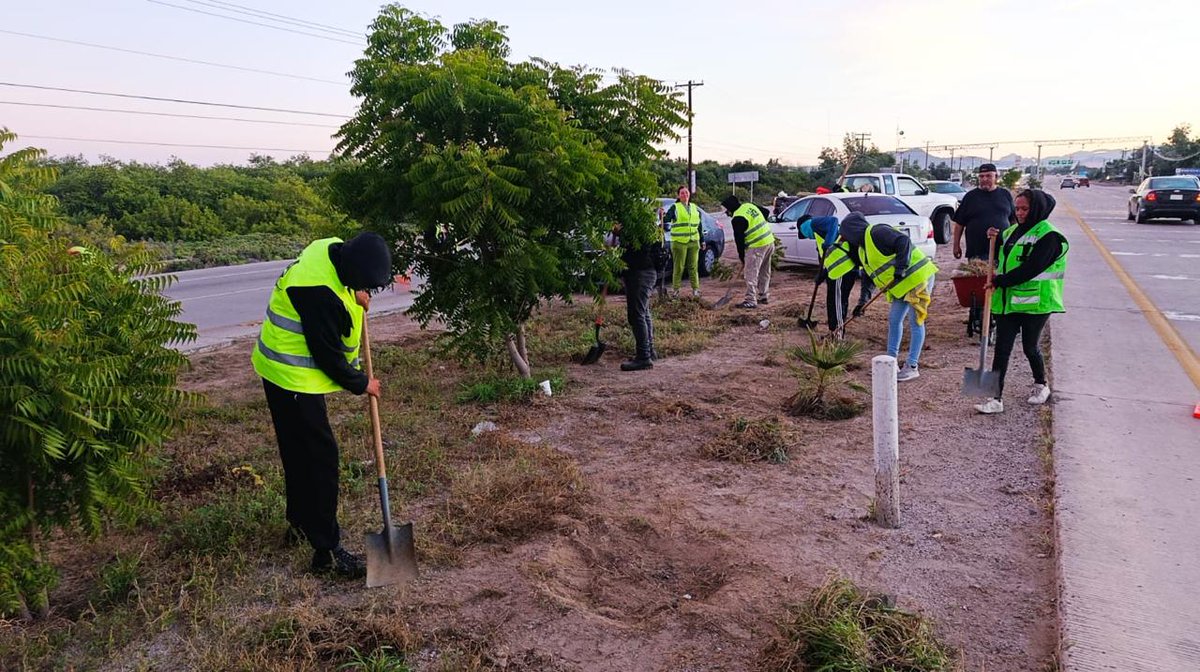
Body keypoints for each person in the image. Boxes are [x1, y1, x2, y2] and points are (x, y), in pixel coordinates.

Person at [251, 232, 392, 579]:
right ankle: (326, 552)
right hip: (290, 375)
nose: (365, 290)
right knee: (320, 459)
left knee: (298, 453)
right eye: (363, 284)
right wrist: (363, 384)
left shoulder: (330, 247)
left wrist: (354, 292)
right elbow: (327, 355)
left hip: (277, 368)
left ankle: (299, 525)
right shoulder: (315, 293)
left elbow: (336, 285)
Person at [974, 189, 1068, 414]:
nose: (1020, 213)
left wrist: (1000, 281)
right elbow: (1005, 254)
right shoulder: (1012, 231)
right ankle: (995, 398)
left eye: (1025, 208)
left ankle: (1041, 385)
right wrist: (993, 238)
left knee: (1030, 347)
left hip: (1036, 302)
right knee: (1002, 349)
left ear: (1037, 209)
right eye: (1017, 208)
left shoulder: (1050, 236)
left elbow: (1031, 268)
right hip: (1009, 301)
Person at [822, 212, 938, 381]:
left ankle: (912, 366)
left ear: (853, 231)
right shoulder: (862, 251)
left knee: (915, 321)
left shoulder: (877, 232)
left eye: (846, 236)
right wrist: (862, 302)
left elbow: (903, 241)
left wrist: (901, 268)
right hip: (901, 286)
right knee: (894, 319)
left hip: (918, 277)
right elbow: (869, 278)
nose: (846, 240)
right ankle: (890, 364)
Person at [951, 163, 1015, 336]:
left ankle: (997, 317)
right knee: (979, 286)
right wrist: (956, 245)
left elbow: (1014, 221)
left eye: (988, 176)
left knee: (999, 284)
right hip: (977, 252)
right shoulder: (971, 197)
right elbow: (959, 224)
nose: (985, 179)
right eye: (982, 176)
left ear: (996, 177)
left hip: (1002, 251)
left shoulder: (1005, 195)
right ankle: (978, 318)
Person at [800, 215, 873, 334]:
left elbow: (833, 220)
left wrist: (828, 242)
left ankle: (838, 335)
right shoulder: (820, 234)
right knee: (833, 302)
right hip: (837, 272)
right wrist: (822, 275)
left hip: (843, 271)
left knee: (838, 304)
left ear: (803, 227)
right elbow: (832, 257)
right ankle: (832, 331)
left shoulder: (814, 223)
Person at [613, 221, 658, 371]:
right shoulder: (642, 229)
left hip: (640, 274)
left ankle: (644, 357)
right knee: (643, 313)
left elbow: (632, 255)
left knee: (637, 315)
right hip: (644, 273)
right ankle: (649, 351)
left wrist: (620, 234)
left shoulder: (636, 233)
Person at [720, 194, 775, 308]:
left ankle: (751, 300)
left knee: (750, 273)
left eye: (727, 211)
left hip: (757, 245)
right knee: (764, 271)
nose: (727, 214)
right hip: (769, 241)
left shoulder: (737, 218)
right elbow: (765, 212)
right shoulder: (748, 206)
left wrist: (742, 257)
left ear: (730, 208)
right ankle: (763, 296)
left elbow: (739, 240)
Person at [663, 185, 702, 298]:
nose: (685, 195)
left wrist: (702, 241)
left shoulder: (694, 207)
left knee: (693, 267)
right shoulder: (675, 207)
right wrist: (662, 215)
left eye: (686, 192)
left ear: (689, 194)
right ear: (678, 196)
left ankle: (695, 290)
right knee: (679, 267)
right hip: (679, 242)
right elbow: (666, 219)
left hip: (693, 241)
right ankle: (676, 291)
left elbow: (699, 225)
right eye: (682, 193)